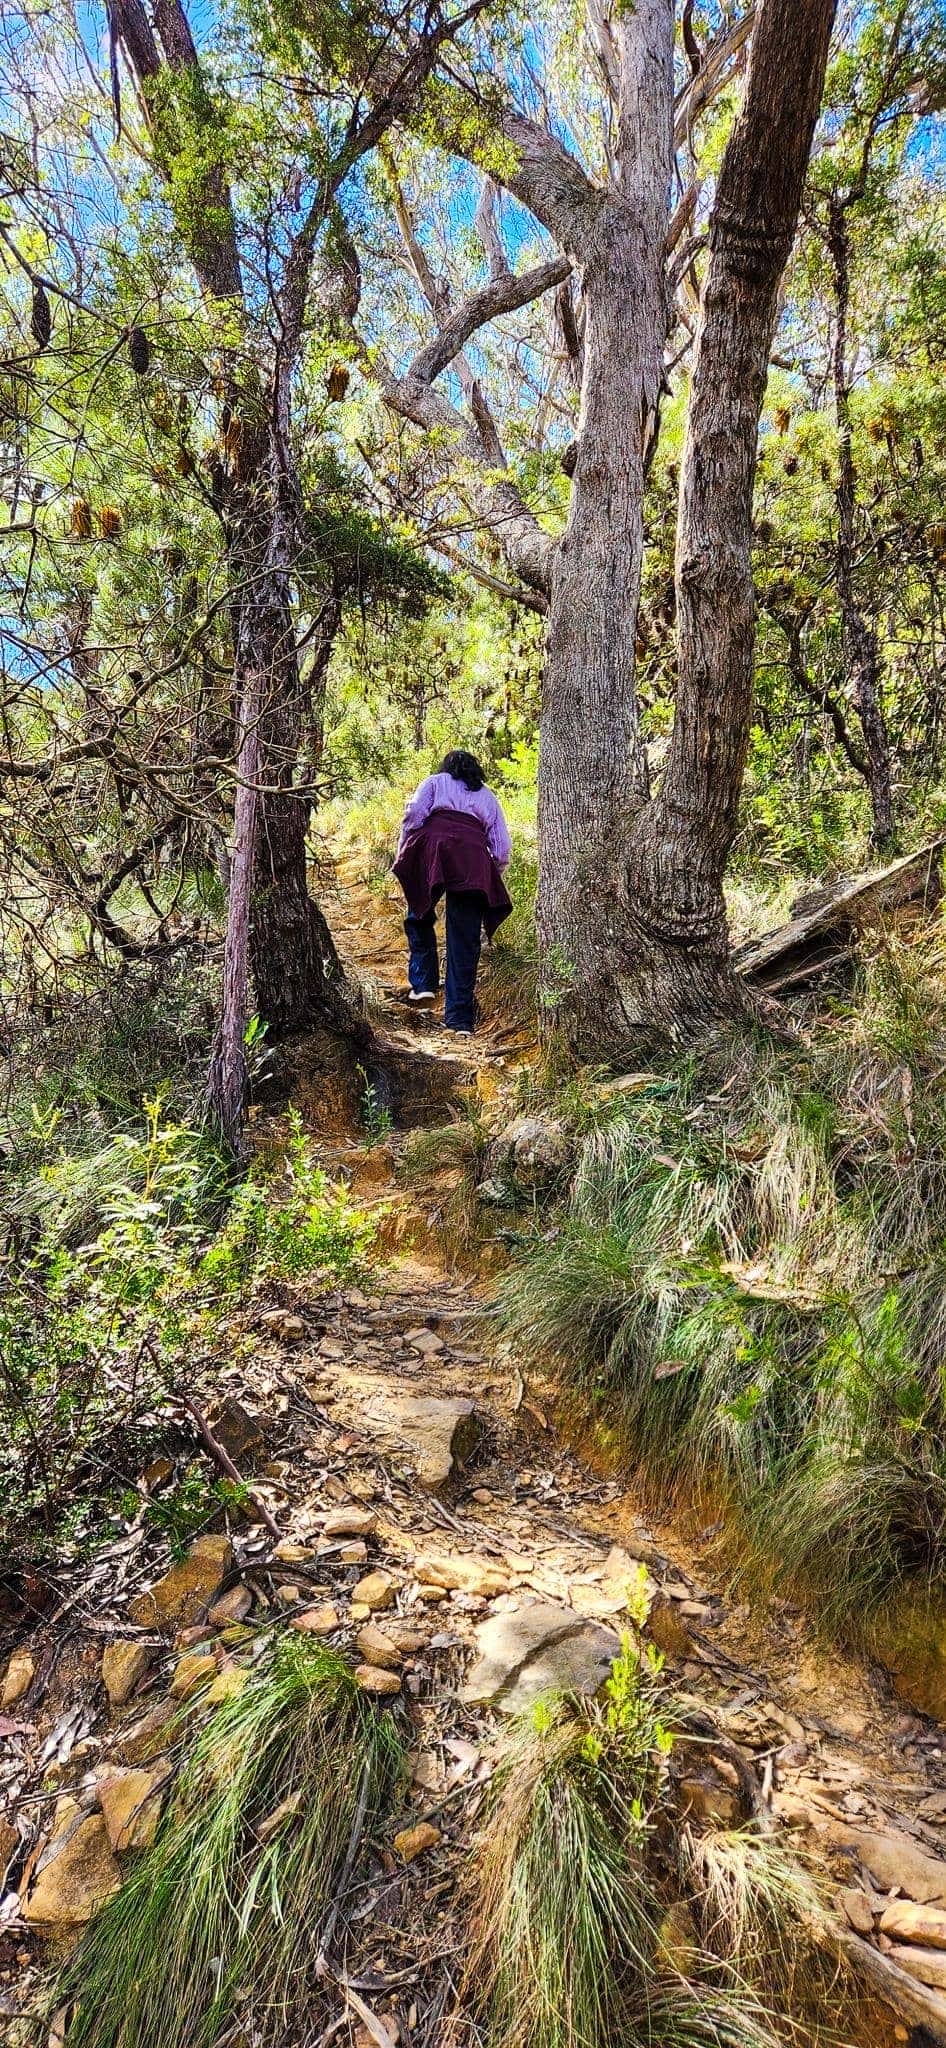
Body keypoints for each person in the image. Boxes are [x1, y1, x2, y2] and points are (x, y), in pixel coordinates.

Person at [393, 750, 512, 1036]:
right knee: (465, 939)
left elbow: (414, 815)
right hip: (473, 859)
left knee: (419, 913)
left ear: (447, 768)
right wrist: (489, 872)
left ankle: (423, 985)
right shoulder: (489, 797)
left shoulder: (435, 782)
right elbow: (502, 848)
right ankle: (460, 1021)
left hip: (433, 850)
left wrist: (406, 851)